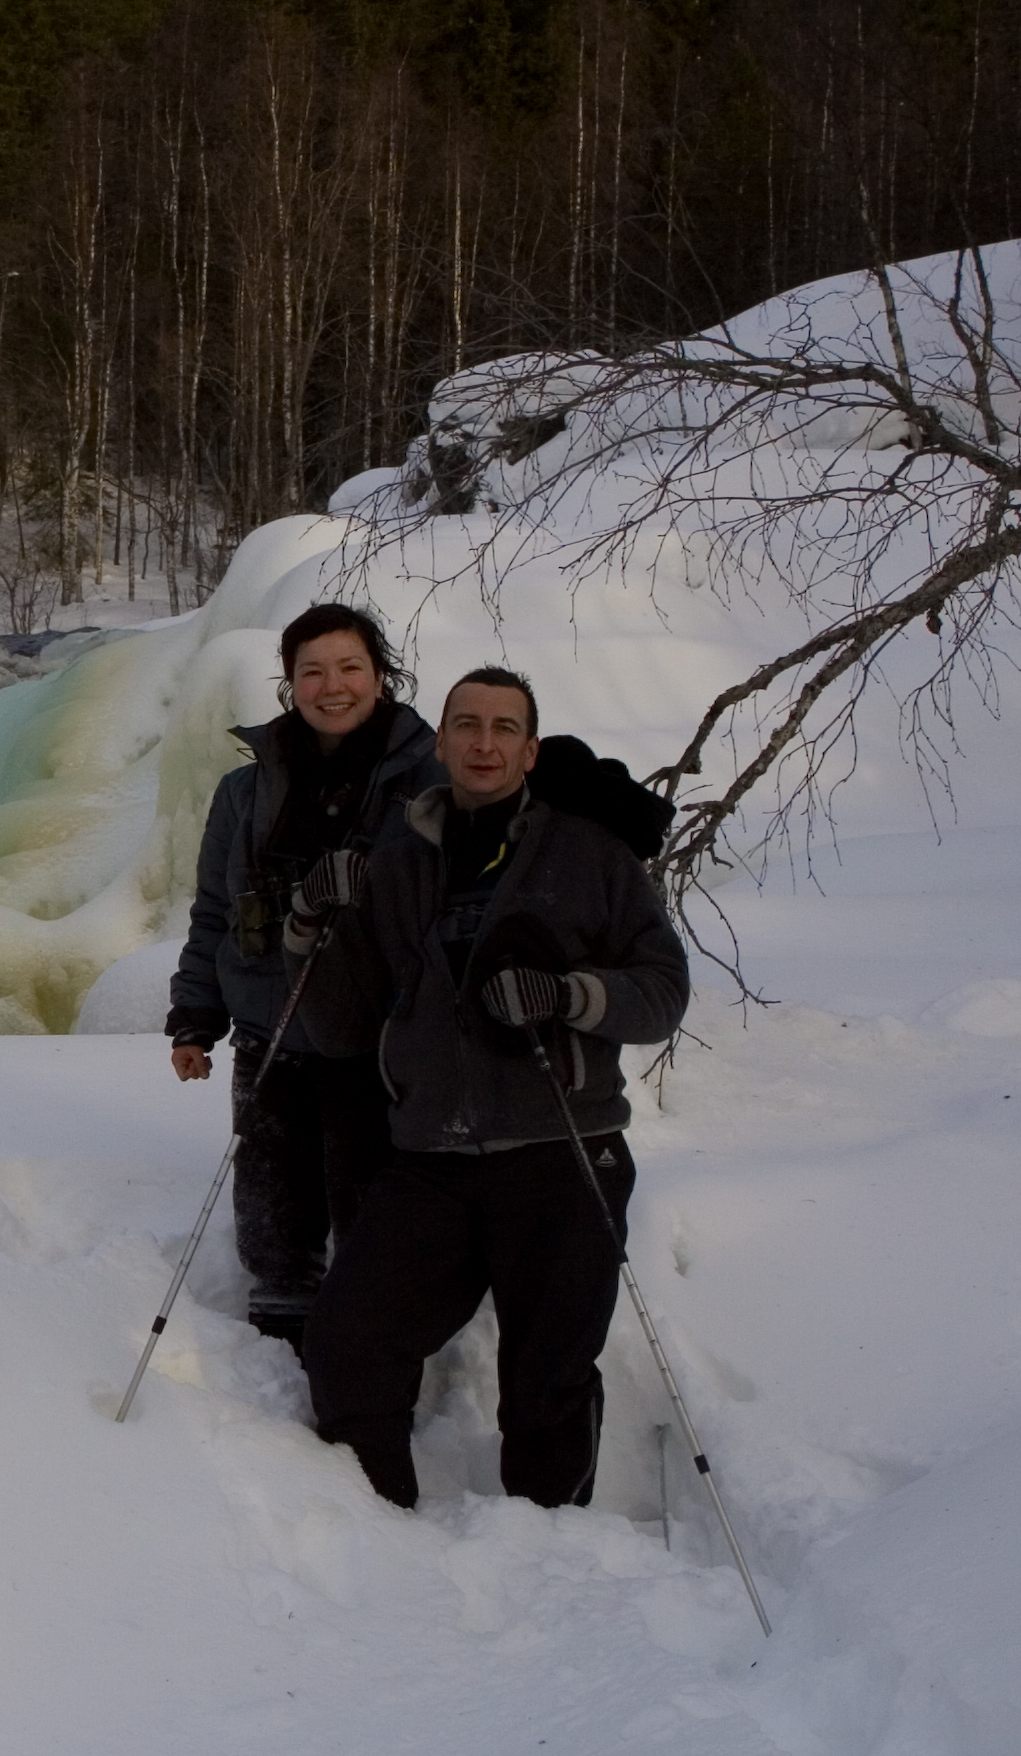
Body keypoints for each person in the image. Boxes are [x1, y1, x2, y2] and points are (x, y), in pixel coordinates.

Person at [286, 667, 690, 1510]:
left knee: (548, 1378)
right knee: (348, 1343)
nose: (482, 742)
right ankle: (374, 1523)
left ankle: (548, 1549)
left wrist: (568, 996)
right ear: (439, 743)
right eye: (466, 725)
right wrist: (307, 926)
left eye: (504, 728)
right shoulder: (399, 861)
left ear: (530, 749)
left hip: (562, 1149)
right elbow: (342, 1025)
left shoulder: (587, 853)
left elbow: (661, 992)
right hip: (431, 1156)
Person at [166, 604, 440, 1350]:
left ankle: (367, 1358)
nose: (332, 685)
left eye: (349, 668)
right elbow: (216, 910)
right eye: (311, 671)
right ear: (289, 684)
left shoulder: (429, 780)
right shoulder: (243, 791)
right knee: (274, 1215)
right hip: (267, 1023)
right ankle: (277, 1350)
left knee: (371, 1214)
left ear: (379, 677)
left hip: (374, 1035)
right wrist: (194, 1016)